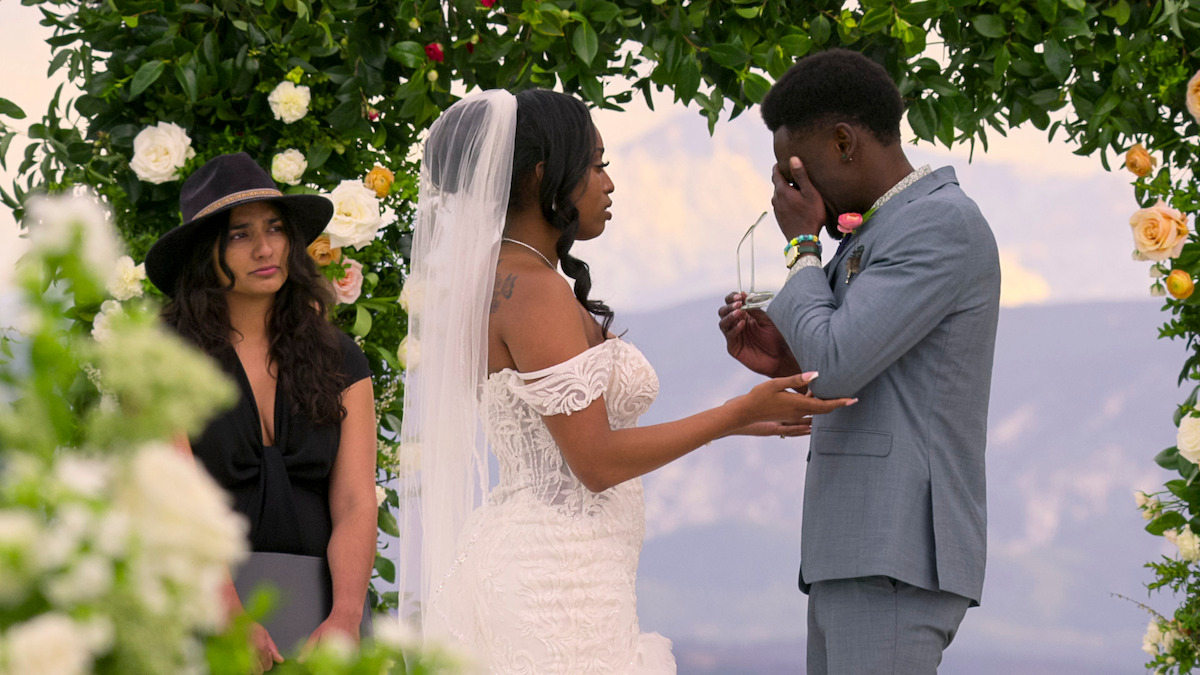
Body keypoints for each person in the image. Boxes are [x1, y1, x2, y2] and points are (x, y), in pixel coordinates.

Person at [398, 88, 856, 674]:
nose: (609, 183)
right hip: (555, 583)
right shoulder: (531, 291)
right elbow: (595, 461)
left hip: (562, 568)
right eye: (596, 164)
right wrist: (734, 415)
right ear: (543, 174)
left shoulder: (511, 276)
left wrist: (741, 420)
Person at [717, 49, 1001, 674]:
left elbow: (841, 361)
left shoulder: (937, 224)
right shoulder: (881, 229)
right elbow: (843, 362)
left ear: (843, 142)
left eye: (795, 172)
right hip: (859, 550)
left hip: (894, 549)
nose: (788, 192)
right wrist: (788, 355)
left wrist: (798, 247)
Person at [145, 152, 378, 672]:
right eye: (240, 234)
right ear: (205, 252)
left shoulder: (340, 356)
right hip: (205, 601)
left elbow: (357, 500)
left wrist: (345, 615)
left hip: (325, 608)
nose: (265, 247)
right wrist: (229, 613)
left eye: (274, 228)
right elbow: (177, 503)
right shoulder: (165, 360)